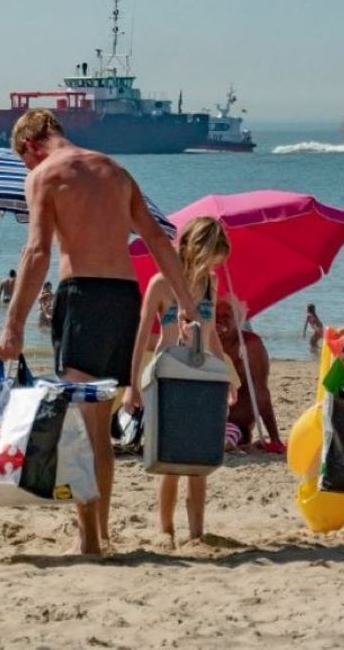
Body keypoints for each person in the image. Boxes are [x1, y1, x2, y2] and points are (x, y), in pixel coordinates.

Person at [0, 110, 196, 556]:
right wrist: (185, 302)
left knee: (82, 429)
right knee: (98, 428)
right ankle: (100, 532)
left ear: (30, 144)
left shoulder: (46, 174)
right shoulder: (115, 170)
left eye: (24, 161)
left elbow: (37, 251)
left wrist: (13, 324)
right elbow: (159, 240)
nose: (27, 170)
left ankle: (89, 541)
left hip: (82, 297)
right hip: (123, 296)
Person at [125, 217, 232, 547]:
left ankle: (197, 532)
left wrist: (230, 377)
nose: (212, 266)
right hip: (167, 377)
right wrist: (132, 386)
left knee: (199, 459)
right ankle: (166, 528)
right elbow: (141, 336)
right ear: (194, 249)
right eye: (211, 257)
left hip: (201, 376)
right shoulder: (161, 284)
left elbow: (212, 338)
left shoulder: (211, 285)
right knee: (169, 458)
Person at [215, 301, 283, 450]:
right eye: (215, 315)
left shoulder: (250, 345)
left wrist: (275, 439)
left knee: (224, 442)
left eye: (226, 316)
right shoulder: (201, 342)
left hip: (238, 424)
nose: (219, 320)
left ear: (239, 319)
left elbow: (261, 393)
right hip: (208, 420)